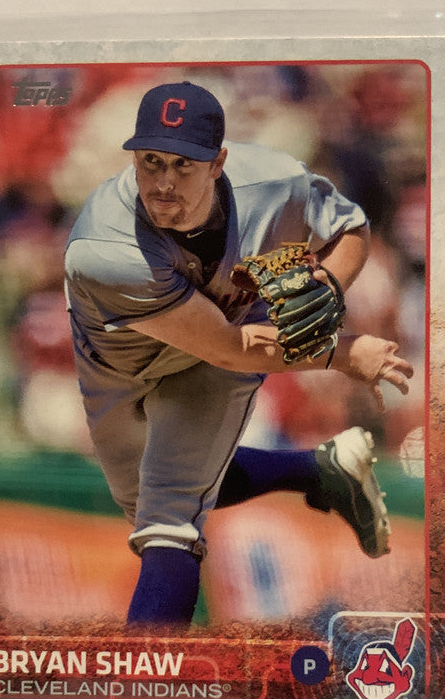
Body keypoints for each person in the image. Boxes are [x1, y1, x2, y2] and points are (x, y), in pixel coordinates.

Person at [64, 81, 414, 625]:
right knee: (139, 495)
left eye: (184, 164)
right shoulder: (106, 248)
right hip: (121, 362)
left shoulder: (274, 181)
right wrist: (342, 353)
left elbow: (350, 227)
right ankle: (318, 471)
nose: (164, 181)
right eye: (152, 161)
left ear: (218, 163)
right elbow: (229, 350)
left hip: (225, 342)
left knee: (168, 519)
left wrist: (328, 286)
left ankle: (147, 677)